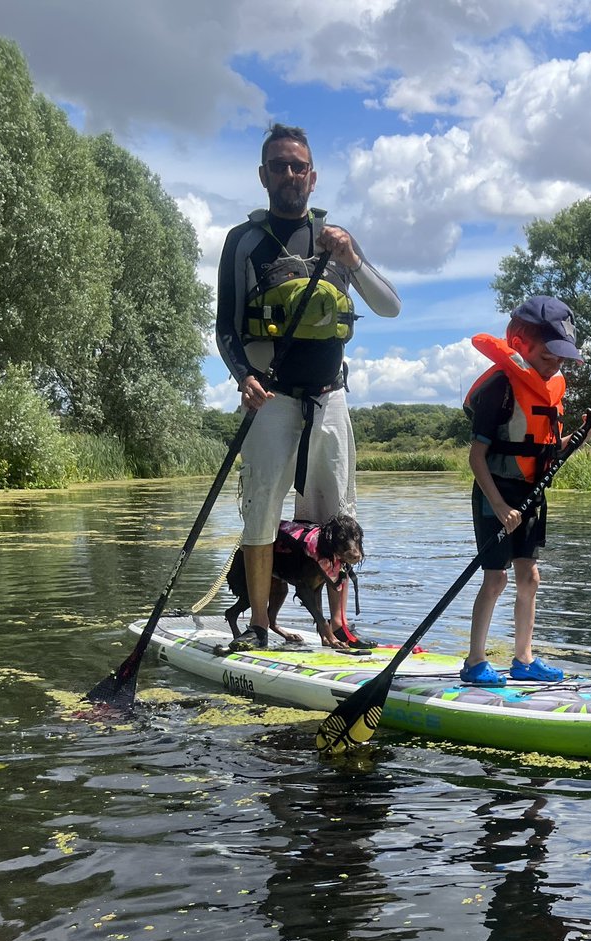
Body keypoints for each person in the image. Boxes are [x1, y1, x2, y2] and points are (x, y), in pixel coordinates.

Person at [215, 123, 401, 651]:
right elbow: (226, 326)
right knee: (262, 513)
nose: (290, 174)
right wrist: (243, 378)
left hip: (330, 398)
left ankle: (337, 626)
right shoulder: (242, 242)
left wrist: (352, 261)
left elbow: (390, 306)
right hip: (270, 400)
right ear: (263, 175)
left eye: (299, 166)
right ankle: (257, 626)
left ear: (313, 177)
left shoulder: (338, 239)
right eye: (279, 165)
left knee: (337, 515)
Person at [460, 296, 591, 686]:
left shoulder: (552, 388)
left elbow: (547, 449)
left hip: (530, 496)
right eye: (549, 353)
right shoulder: (500, 387)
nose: (556, 362)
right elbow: (477, 459)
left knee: (530, 578)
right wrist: (499, 505)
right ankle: (475, 662)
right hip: (496, 494)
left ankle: (523, 660)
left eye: (562, 356)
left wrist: (585, 433)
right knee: (496, 580)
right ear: (521, 343)